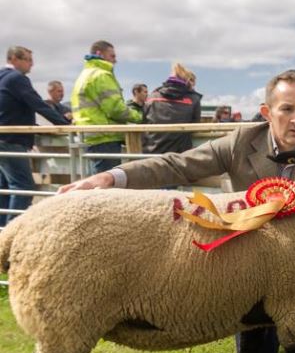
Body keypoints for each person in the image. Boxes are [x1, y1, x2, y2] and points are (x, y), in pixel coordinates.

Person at [58, 70, 295, 353]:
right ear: (268, 112)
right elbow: (177, 164)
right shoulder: (242, 142)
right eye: (287, 109)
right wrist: (111, 176)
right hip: (251, 267)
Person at [0, 46, 71, 225]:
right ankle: (12, 234)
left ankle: (3, 230)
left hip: (4, 137)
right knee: (23, 186)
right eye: (28, 60)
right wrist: (65, 124)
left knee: (5, 187)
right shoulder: (17, 78)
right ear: (15, 59)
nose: (32, 65)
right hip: (11, 140)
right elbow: (37, 104)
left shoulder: (2, 77)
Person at [70, 40, 143, 173]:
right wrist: (140, 117)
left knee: (97, 182)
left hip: (90, 136)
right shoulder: (102, 75)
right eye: (112, 56)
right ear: (99, 54)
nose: (115, 60)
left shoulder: (84, 75)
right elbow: (116, 109)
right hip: (105, 137)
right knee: (106, 185)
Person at [143, 63, 202, 154]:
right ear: (187, 81)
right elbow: (195, 126)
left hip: (152, 153)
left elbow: (144, 122)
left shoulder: (152, 96)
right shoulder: (193, 99)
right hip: (179, 155)